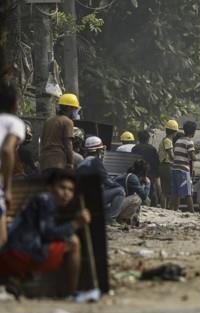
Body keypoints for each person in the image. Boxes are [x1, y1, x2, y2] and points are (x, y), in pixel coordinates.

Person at [0, 169, 91, 297]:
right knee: (74, 242)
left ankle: (18, 280)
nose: (66, 193)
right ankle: (71, 293)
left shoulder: (43, 200)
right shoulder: (46, 200)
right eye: (62, 187)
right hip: (20, 254)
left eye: (70, 190)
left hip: (15, 251)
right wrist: (76, 223)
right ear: (50, 187)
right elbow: (48, 234)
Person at [0, 83, 26, 247]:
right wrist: (7, 188)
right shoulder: (13, 122)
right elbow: (8, 149)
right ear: (14, 104)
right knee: (1, 240)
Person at [77, 136, 125, 222]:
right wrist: (118, 184)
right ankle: (110, 219)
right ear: (98, 150)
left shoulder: (83, 161)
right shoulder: (95, 162)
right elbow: (108, 181)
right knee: (120, 191)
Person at [40, 93, 81, 171]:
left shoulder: (49, 121)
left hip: (44, 161)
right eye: (75, 109)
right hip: (57, 162)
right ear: (69, 108)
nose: (76, 112)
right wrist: (70, 163)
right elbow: (68, 145)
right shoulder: (67, 121)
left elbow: (42, 141)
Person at [171, 121, 197, 213]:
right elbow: (193, 157)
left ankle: (175, 209)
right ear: (193, 131)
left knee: (176, 191)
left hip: (175, 168)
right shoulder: (189, 142)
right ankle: (192, 211)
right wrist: (196, 153)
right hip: (183, 169)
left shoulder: (178, 140)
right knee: (188, 192)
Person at [115, 159, 151, 225]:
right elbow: (144, 197)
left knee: (137, 197)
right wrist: (148, 184)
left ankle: (130, 218)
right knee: (137, 199)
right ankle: (123, 219)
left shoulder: (129, 175)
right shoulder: (132, 178)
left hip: (114, 204)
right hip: (116, 206)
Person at [132, 130, 161, 206]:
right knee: (151, 193)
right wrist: (156, 175)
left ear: (138, 138)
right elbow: (156, 164)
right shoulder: (152, 149)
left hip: (136, 174)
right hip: (149, 174)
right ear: (148, 139)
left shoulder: (135, 148)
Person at [158, 120, 178, 209]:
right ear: (174, 132)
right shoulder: (168, 141)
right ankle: (165, 208)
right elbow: (171, 155)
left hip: (163, 165)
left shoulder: (164, 140)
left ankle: (164, 208)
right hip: (166, 166)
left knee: (165, 189)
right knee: (167, 190)